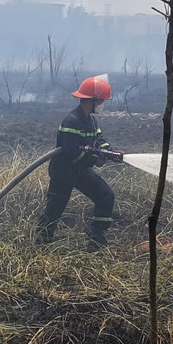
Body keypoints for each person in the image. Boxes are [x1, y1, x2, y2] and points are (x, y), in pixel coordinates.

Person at [36, 73, 122, 248]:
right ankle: (42, 240)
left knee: (105, 196)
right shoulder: (71, 121)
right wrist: (94, 160)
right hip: (64, 172)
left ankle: (96, 237)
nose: (101, 105)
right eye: (100, 102)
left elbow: (99, 140)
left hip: (80, 171)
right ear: (92, 100)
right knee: (55, 208)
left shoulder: (90, 120)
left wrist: (110, 152)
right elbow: (71, 152)